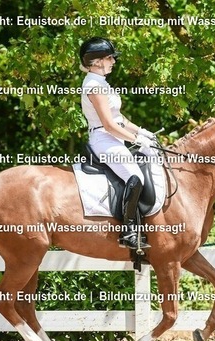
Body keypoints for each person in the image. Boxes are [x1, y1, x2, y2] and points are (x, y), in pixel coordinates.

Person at [79, 36, 156, 250]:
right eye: (110, 58)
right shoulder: (93, 86)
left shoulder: (101, 83)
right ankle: (128, 232)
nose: (113, 61)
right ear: (97, 61)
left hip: (112, 137)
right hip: (103, 139)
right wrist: (136, 140)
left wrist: (142, 132)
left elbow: (119, 119)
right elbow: (109, 124)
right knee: (135, 176)